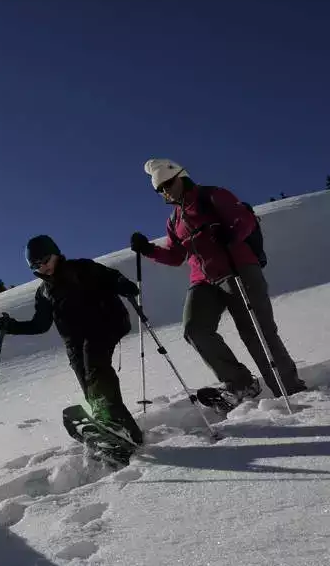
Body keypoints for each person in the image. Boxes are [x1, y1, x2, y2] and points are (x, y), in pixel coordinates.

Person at [130, 159, 305, 402]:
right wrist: (147, 250)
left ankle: (290, 389)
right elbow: (175, 256)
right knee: (195, 329)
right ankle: (241, 383)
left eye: (168, 183)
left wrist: (232, 232)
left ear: (182, 176)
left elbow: (245, 219)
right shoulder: (174, 221)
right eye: (160, 189)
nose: (166, 191)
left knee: (256, 331)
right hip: (203, 280)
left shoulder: (211, 196)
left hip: (239, 269)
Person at [0, 234, 143, 447]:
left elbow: (112, 276)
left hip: (106, 321)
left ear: (56, 254)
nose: (43, 267)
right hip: (75, 341)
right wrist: (13, 327)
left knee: (94, 364)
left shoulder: (82, 268)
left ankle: (118, 425)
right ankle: (114, 432)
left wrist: (123, 284)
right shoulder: (44, 292)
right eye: (36, 266)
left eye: (45, 260)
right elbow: (40, 325)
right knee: (87, 381)